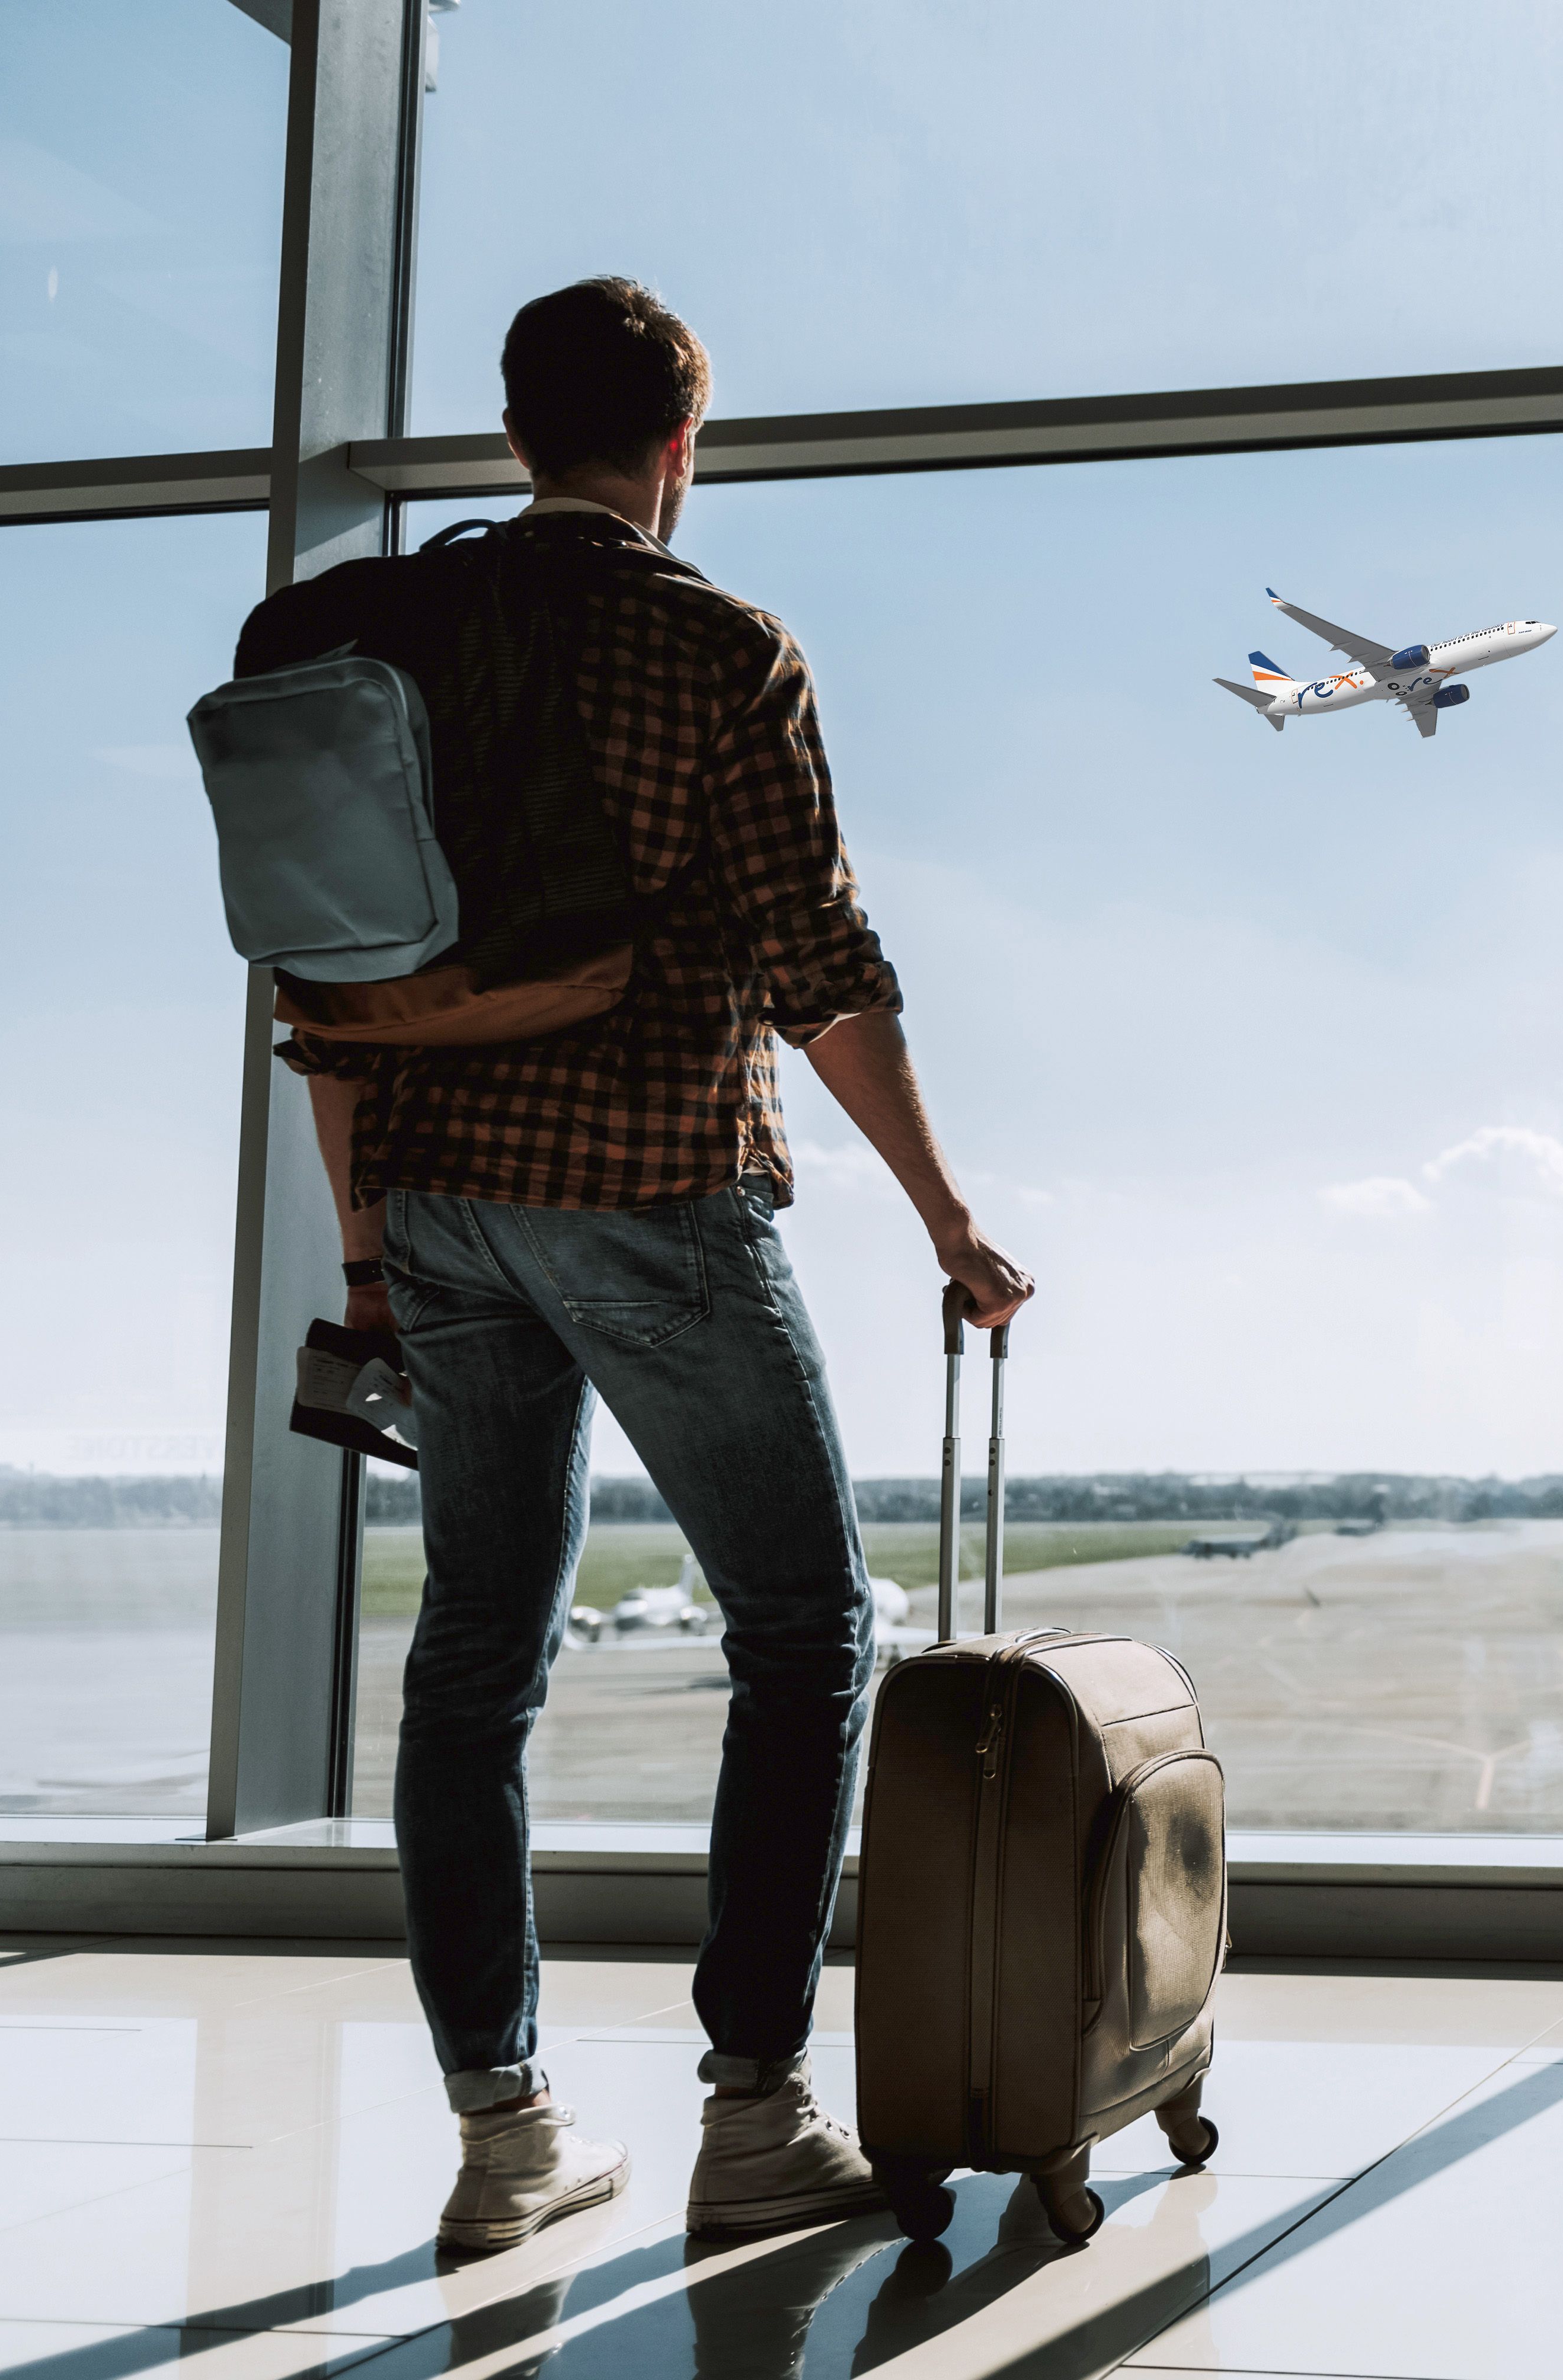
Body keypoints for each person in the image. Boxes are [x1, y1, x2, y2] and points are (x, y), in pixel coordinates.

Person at [247, 277, 1030, 2253]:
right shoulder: (716, 647)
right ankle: (755, 2112)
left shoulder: (383, 636)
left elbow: (326, 986)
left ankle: (504, 2136)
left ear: (519, 436)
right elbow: (824, 970)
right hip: (649, 1187)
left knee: (474, 1662)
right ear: (681, 445)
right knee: (806, 1627)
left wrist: (363, 1246)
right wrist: (946, 1213)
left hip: (431, 1205)